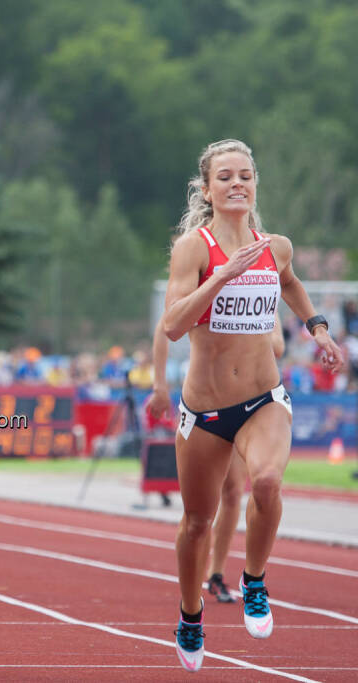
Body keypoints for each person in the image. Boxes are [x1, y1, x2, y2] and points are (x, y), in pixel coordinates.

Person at [163, 139, 342, 672]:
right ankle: (191, 613)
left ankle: (255, 580)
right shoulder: (192, 249)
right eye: (225, 177)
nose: (236, 183)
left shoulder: (275, 246)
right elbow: (172, 325)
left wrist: (318, 329)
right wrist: (220, 276)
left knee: (266, 482)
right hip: (206, 412)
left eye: (245, 175)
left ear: (255, 183)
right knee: (198, 522)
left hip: (264, 398)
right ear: (207, 189)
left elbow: (291, 284)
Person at [146, 314, 285, 605]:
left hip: (249, 402)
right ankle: (192, 595)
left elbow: (278, 346)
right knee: (200, 514)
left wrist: (247, 333)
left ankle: (218, 573)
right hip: (206, 401)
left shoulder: (262, 287)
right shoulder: (203, 283)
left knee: (234, 489)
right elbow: (165, 328)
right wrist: (160, 386)